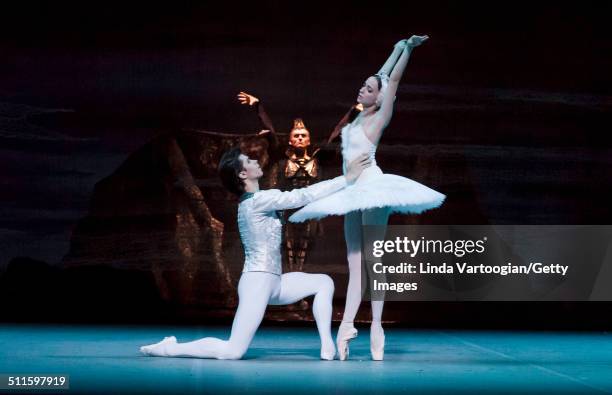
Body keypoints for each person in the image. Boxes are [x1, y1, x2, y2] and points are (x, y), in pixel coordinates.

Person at [289, 36, 446, 361]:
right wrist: (395, 46)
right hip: (353, 191)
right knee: (354, 266)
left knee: (374, 263)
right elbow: (380, 75)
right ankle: (346, 325)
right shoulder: (360, 114)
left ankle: (376, 326)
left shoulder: (378, 117)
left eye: (368, 89)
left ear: (379, 97)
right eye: (362, 86)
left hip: (373, 189)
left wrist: (409, 51)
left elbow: (393, 81)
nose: (361, 89)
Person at [140, 147, 371, 360]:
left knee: (323, 282)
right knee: (232, 351)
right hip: (258, 282)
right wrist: (347, 177)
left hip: (274, 282)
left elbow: (303, 199)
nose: (255, 160)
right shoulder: (258, 201)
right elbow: (302, 196)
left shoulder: (257, 200)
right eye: (249, 160)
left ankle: (327, 346)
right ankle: (169, 348)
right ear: (242, 174)